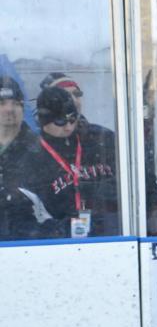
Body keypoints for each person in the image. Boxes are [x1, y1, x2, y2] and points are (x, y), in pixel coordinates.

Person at [32, 86, 120, 237]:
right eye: (60, 121)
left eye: (72, 119)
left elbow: (140, 172)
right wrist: (57, 229)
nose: (68, 127)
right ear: (43, 121)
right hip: (61, 238)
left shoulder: (100, 139)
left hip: (109, 230)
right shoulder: (33, 154)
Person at [0, 76, 49, 239]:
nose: (9, 109)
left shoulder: (42, 150)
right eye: (2, 103)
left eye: (16, 103)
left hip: (28, 240)